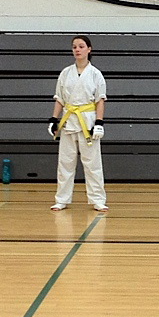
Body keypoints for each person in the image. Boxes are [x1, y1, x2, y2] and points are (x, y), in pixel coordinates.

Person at [48, 35, 108, 212]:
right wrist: (53, 119)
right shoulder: (65, 73)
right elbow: (59, 98)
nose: (77, 50)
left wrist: (99, 122)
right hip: (68, 121)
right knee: (65, 163)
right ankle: (61, 199)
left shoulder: (96, 74)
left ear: (89, 49)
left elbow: (100, 100)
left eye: (81, 46)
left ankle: (98, 199)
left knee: (92, 164)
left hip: (87, 122)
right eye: (74, 47)